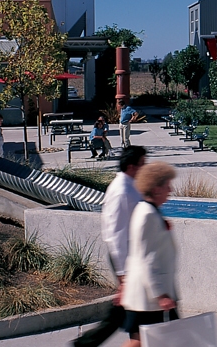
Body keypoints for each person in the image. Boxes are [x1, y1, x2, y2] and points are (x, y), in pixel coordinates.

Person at [73, 146, 147, 347]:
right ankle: (85, 344)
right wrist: (123, 275)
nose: (145, 167)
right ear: (132, 166)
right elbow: (115, 234)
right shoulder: (120, 190)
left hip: (132, 260)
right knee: (132, 315)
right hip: (126, 261)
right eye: (143, 163)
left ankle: (86, 344)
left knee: (125, 313)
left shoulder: (130, 185)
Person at [122, 162, 179, 346]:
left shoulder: (147, 211)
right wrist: (161, 295)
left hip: (148, 295)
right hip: (148, 297)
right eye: (167, 185)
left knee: (140, 342)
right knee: (139, 343)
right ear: (156, 189)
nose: (170, 189)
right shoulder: (147, 215)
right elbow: (146, 259)